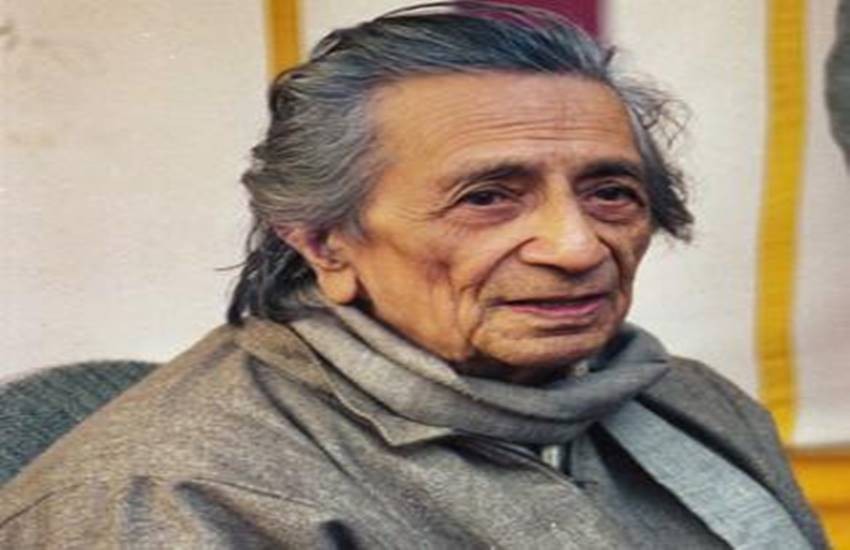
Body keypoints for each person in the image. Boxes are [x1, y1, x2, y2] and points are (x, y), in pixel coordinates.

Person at [0, 2, 827, 548]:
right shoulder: (170, 499)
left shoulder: (694, 405)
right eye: (488, 198)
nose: (576, 247)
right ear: (326, 243)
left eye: (610, 192)